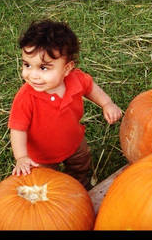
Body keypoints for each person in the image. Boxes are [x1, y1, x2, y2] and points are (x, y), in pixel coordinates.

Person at [8, 20, 122, 190]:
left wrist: (107, 103)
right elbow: (17, 129)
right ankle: (59, 197)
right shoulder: (26, 97)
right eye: (27, 65)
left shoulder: (76, 79)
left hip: (74, 141)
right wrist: (22, 157)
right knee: (47, 182)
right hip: (42, 156)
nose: (32, 75)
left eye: (44, 68)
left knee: (81, 164)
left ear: (67, 68)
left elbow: (91, 88)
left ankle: (80, 185)